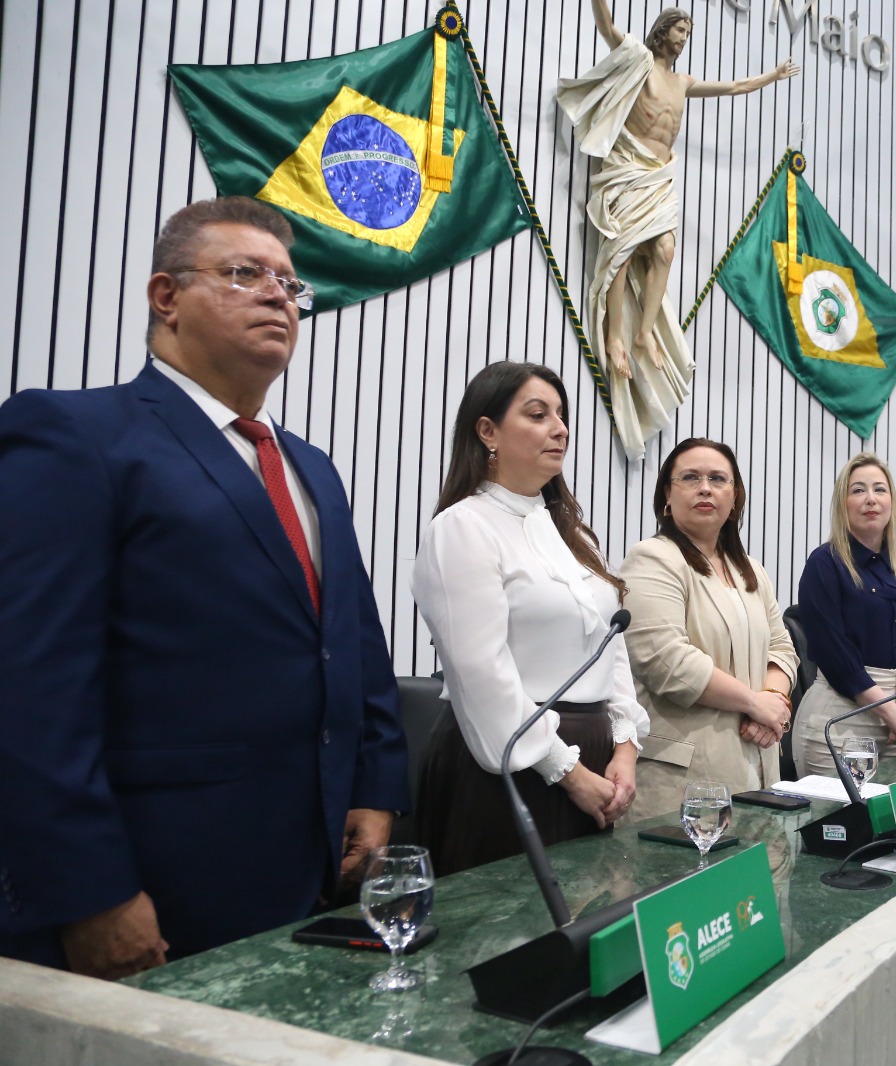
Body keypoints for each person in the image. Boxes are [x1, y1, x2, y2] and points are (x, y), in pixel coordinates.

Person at [0, 197, 408, 978]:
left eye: (291, 287)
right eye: (245, 273)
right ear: (166, 298)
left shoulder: (310, 466)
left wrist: (376, 788)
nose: (277, 297)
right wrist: (90, 891)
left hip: (307, 864)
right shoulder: (75, 436)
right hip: (153, 877)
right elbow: (30, 689)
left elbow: (352, 640)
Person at [410, 362, 650, 876]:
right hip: (512, 761)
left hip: (595, 755)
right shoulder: (463, 527)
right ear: (487, 431)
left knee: (587, 927)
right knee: (508, 939)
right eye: (538, 414)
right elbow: (481, 674)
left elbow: (611, 645)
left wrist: (625, 747)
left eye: (562, 415)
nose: (560, 428)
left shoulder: (573, 536)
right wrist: (568, 772)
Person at [557, 0, 799, 457]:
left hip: (661, 174)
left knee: (665, 250)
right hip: (629, 166)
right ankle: (614, 337)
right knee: (623, 252)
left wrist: (770, 77)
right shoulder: (638, 59)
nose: (685, 37)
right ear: (663, 30)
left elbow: (730, 87)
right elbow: (606, 24)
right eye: (680, 29)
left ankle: (644, 331)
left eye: (688, 32)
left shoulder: (683, 81)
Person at [619, 438, 799, 820]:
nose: (705, 487)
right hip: (682, 781)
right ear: (667, 494)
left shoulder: (749, 570)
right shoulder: (652, 559)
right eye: (690, 478)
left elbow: (782, 649)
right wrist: (756, 705)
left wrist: (772, 699)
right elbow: (667, 661)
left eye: (718, 479)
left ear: (734, 498)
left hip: (758, 763)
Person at [794, 454, 896, 776]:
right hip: (843, 718)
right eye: (858, 490)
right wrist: (888, 711)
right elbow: (835, 655)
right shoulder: (824, 564)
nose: (871, 499)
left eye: (880, 490)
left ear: (892, 502)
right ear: (842, 504)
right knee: (845, 824)